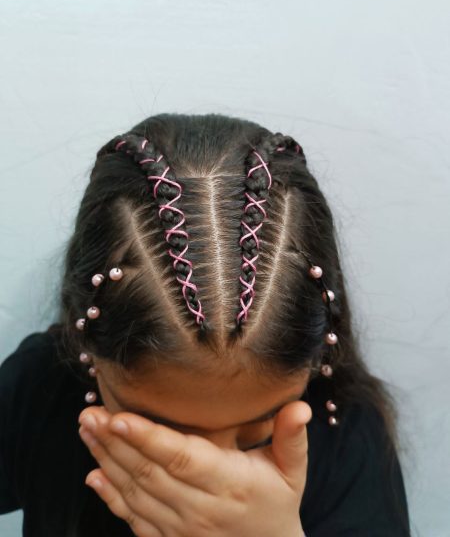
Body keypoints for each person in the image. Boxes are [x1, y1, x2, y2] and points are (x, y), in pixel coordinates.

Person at [0, 113, 411, 536]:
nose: (211, 469)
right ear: (85, 346)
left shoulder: (349, 434)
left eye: (258, 432)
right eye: (161, 430)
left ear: (316, 353)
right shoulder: (40, 390)